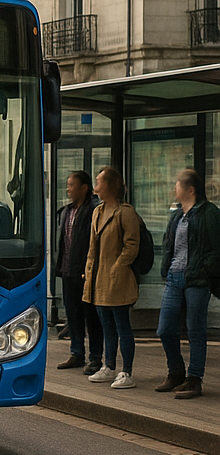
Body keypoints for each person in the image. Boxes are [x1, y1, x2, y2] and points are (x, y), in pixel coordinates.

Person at [154, 168, 220, 399]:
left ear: (190, 189)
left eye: (178, 185)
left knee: (196, 330)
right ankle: (176, 372)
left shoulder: (210, 213)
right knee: (164, 329)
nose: (175, 188)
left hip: (197, 279)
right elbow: (169, 245)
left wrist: (204, 268)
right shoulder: (177, 215)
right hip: (175, 277)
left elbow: (216, 248)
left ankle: (194, 379)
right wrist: (166, 269)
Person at [84, 166, 140, 389]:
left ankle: (127, 371)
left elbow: (132, 244)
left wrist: (118, 266)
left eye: (99, 180)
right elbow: (92, 247)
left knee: (121, 325)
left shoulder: (125, 212)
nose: (96, 184)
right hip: (99, 278)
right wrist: (88, 272)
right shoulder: (97, 211)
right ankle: (108, 366)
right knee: (106, 326)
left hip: (117, 279)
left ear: (110, 185)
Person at [53, 170, 103, 374]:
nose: (68, 189)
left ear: (84, 188)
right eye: (68, 185)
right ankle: (76, 353)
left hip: (86, 272)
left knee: (91, 316)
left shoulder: (94, 210)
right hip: (68, 271)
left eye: (72, 185)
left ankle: (96, 357)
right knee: (72, 313)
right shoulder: (66, 211)